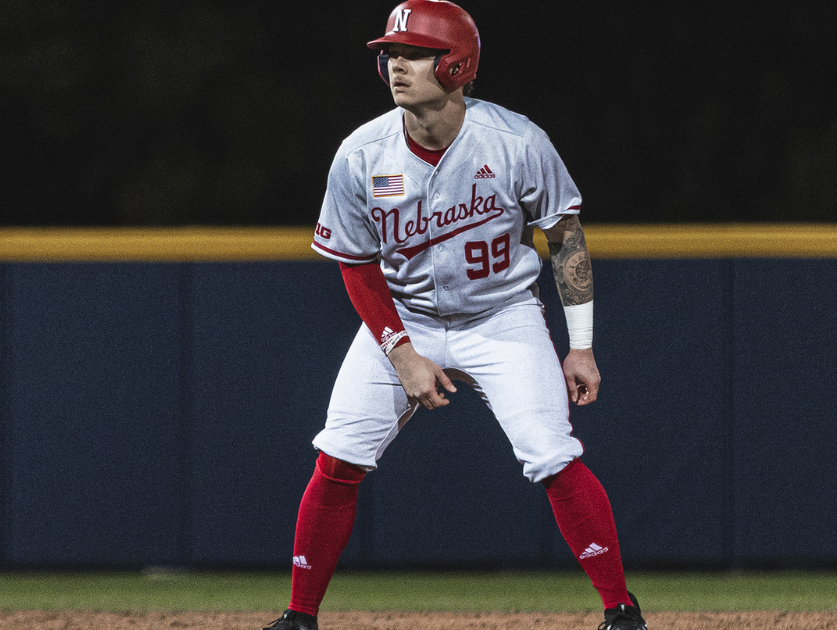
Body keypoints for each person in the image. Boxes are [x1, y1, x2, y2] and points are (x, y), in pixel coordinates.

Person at [263, 2, 647, 629]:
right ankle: (299, 617)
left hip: (502, 316)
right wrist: (400, 351)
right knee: (338, 456)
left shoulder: (517, 142)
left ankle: (621, 610)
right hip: (403, 316)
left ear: (457, 63)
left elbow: (566, 238)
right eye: (390, 53)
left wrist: (580, 346)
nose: (395, 64)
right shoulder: (362, 153)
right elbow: (357, 265)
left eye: (412, 52)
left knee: (551, 453)